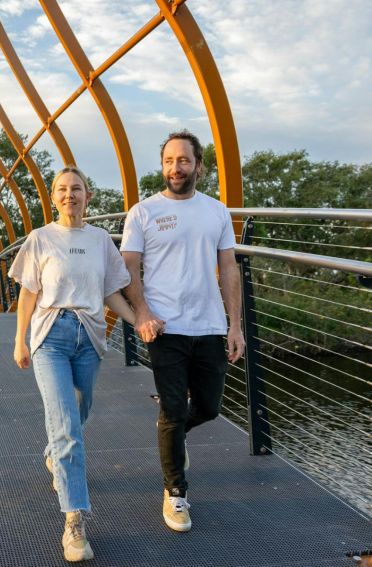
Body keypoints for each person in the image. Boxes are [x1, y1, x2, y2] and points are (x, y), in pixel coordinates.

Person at [9, 166, 152, 563]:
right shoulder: (39, 240)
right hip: (50, 335)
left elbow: (111, 293)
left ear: (88, 196)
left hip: (90, 336)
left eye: (77, 189)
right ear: (53, 198)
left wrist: (138, 319)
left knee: (79, 408)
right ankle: (75, 521)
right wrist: (19, 341)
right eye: (62, 189)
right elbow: (27, 295)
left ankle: (56, 453)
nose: (69, 194)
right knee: (68, 426)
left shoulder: (100, 240)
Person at [120, 130, 245, 533]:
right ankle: (175, 494)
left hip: (209, 325)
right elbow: (128, 266)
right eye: (170, 161)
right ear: (163, 166)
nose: (176, 168)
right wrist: (142, 312)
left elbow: (228, 268)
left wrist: (235, 325)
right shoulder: (143, 212)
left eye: (184, 161)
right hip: (165, 327)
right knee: (173, 409)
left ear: (199, 166)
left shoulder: (216, 211)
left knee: (208, 408)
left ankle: (174, 437)